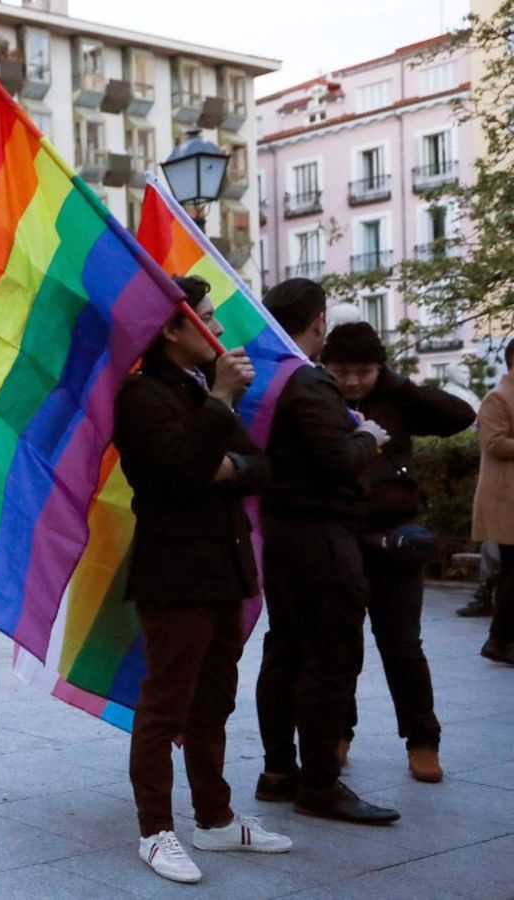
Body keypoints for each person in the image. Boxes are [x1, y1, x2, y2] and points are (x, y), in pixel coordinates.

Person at [114, 276, 293, 884]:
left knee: (214, 701)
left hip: (224, 567)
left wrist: (224, 458)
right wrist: (219, 405)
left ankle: (214, 819)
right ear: (172, 328)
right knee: (164, 705)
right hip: (175, 575)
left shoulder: (197, 392)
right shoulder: (142, 397)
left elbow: (260, 466)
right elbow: (183, 471)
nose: (219, 330)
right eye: (207, 318)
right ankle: (155, 830)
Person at [253, 278, 400, 825]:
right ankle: (319, 781)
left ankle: (277, 771)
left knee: (285, 650)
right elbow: (337, 459)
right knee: (331, 659)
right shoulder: (307, 381)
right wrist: (369, 436)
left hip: (280, 535)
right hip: (321, 538)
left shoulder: (264, 378)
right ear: (319, 322)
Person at [323, 322, 475, 782]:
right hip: (342, 539)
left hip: (396, 542)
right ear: (326, 367)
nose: (352, 381)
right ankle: (336, 734)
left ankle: (423, 741)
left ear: (380, 367)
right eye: (342, 371)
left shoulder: (396, 400)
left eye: (364, 371)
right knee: (340, 647)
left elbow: (460, 417)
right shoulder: (317, 402)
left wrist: (397, 383)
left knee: (403, 647)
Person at [473, 340, 514, 665]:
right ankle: (500, 640)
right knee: (512, 572)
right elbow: (495, 443)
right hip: (506, 498)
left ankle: (500, 639)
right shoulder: (498, 397)